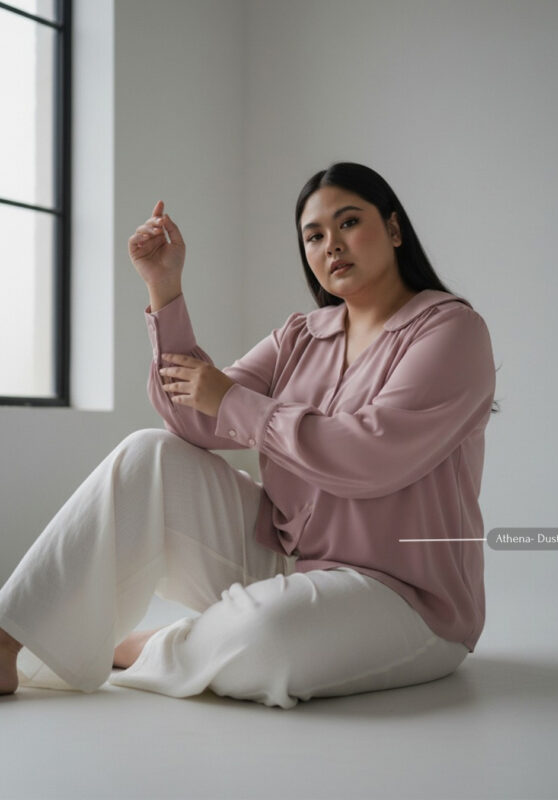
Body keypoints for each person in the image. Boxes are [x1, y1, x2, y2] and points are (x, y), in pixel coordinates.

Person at [0, 162, 497, 709]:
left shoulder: (452, 331)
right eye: (314, 236)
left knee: (268, 637)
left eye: (349, 222)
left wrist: (235, 402)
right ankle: (6, 641)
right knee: (149, 453)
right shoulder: (301, 335)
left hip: (404, 598)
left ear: (394, 229)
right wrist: (164, 289)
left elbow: (372, 455)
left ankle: (155, 645)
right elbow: (193, 420)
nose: (332, 244)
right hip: (288, 558)